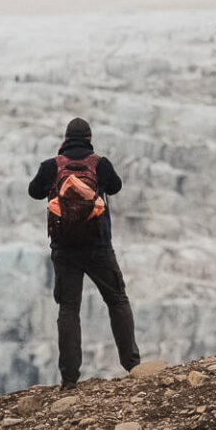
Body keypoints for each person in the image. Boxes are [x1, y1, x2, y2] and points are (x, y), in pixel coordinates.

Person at [28, 118, 140, 388]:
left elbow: (34, 192)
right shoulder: (99, 164)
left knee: (68, 309)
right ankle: (132, 364)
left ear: (65, 138)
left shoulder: (51, 166)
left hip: (64, 249)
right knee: (117, 300)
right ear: (89, 138)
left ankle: (69, 378)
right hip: (98, 246)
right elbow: (115, 187)